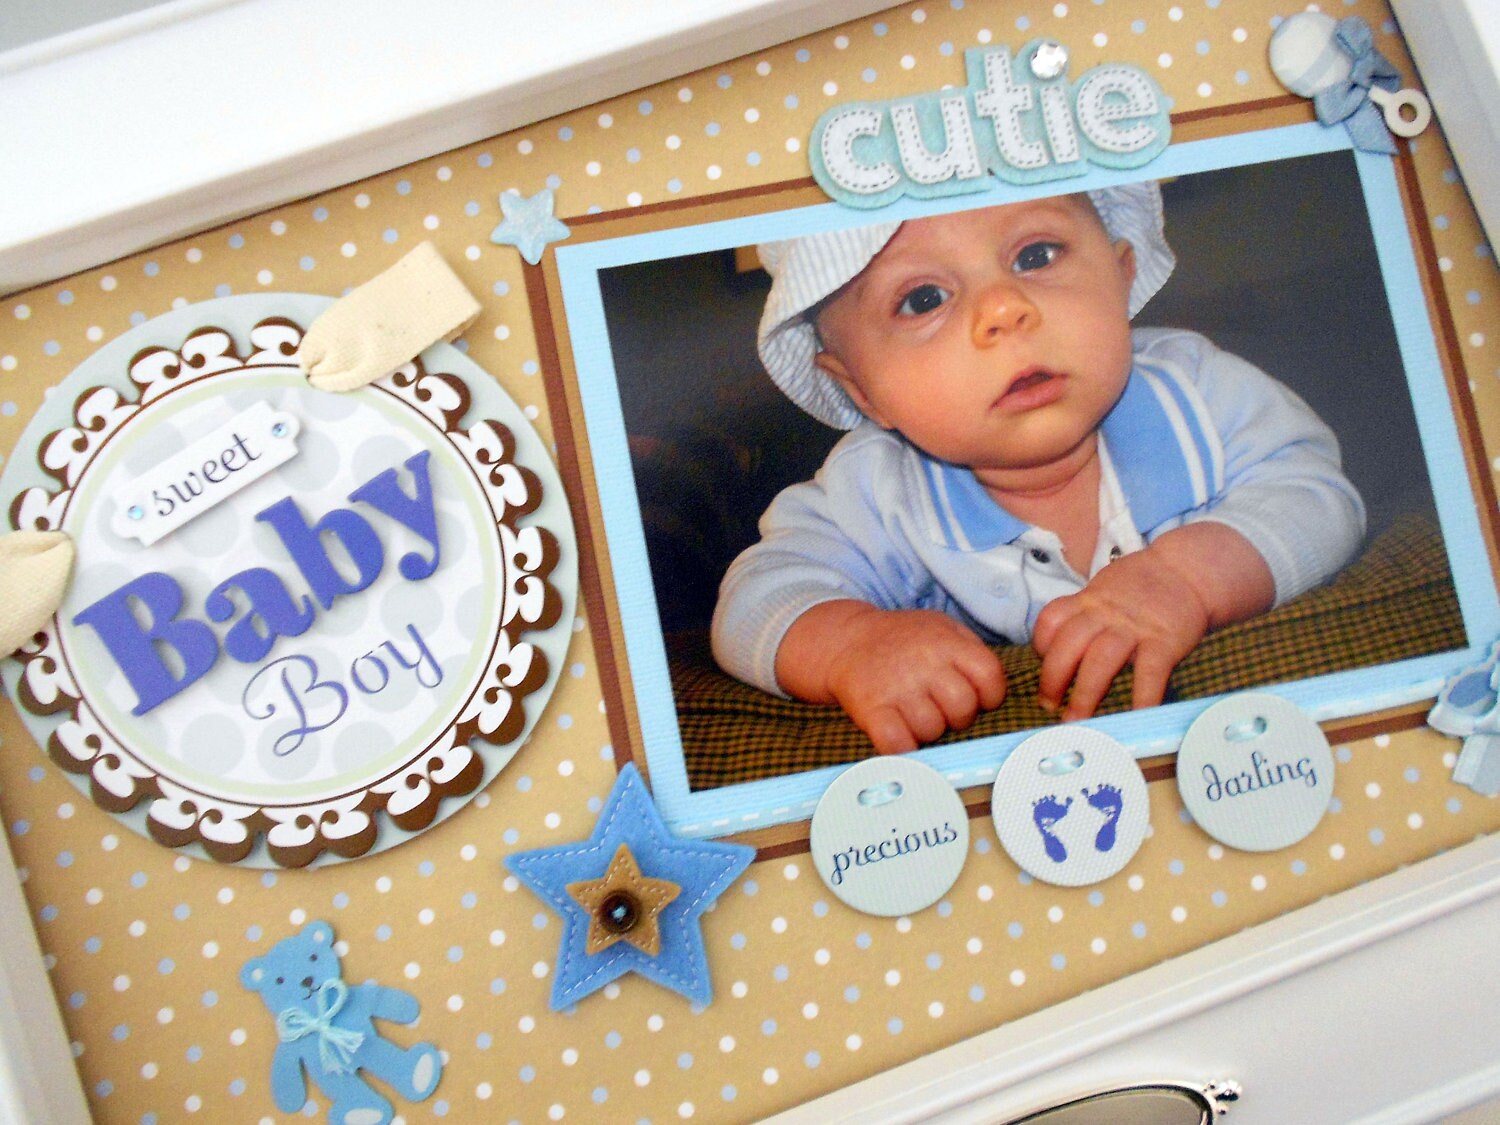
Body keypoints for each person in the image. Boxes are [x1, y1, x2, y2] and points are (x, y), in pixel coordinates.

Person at [710, 182, 1365, 754]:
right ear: (861, 391)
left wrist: (1186, 577)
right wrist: (852, 642)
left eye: (1036, 255)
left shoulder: (1196, 393)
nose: (1003, 309)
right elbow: (756, 600)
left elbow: (1317, 493)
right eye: (924, 298)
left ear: (1121, 275)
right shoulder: (879, 490)